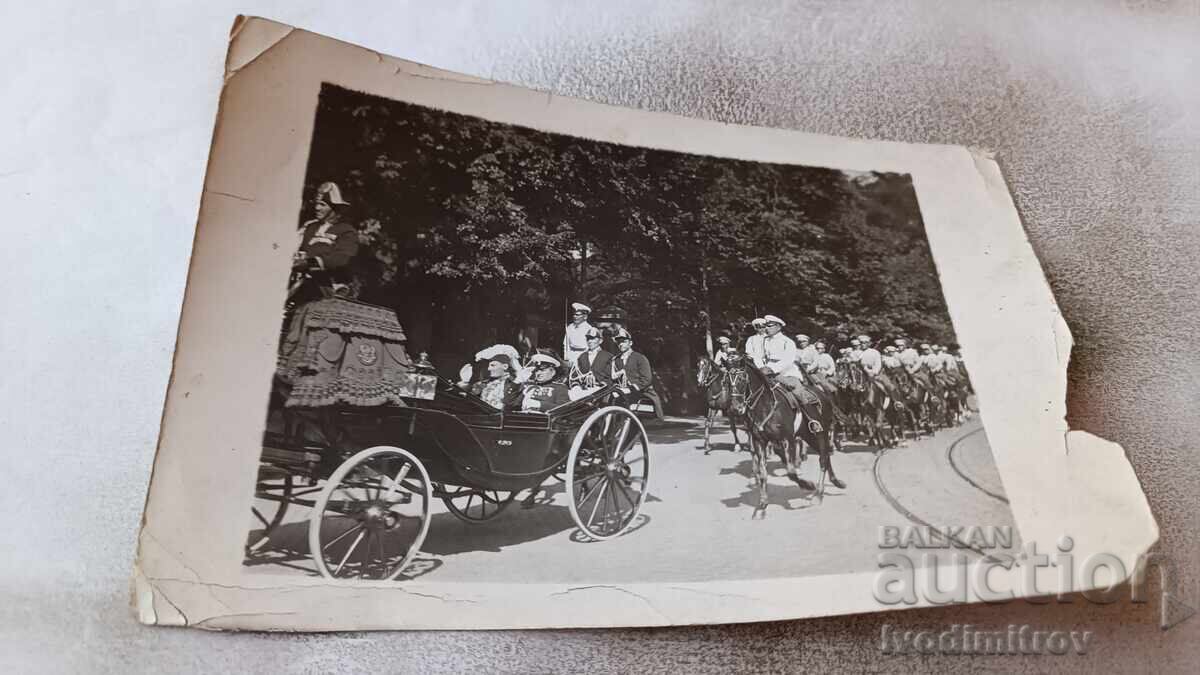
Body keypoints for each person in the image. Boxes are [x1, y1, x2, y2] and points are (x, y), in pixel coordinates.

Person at [291, 181, 359, 305]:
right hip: (301, 284)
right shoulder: (309, 227)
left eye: (322, 204)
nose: (317, 208)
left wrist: (309, 263)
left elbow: (341, 259)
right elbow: (292, 248)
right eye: (317, 204)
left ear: (334, 208)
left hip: (329, 287)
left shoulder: (346, 231)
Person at [611, 328, 664, 420]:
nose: (621, 344)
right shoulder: (616, 360)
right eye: (619, 342)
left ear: (630, 343)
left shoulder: (640, 358)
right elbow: (614, 379)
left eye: (624, 341)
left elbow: (646, 380)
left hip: (642, 394)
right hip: (622, 394)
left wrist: (630, 389)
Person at [562, 302, 594, 367]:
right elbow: (566, 344)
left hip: (584, 357)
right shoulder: (570, 327)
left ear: (585, 317)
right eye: (574, 314)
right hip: (570, 357)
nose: (574, 316)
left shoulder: (589, 329)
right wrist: (566, 358)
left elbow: (592, 347)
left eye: (577, 315)